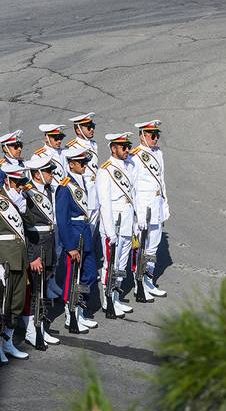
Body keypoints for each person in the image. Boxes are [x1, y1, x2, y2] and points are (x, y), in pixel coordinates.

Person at [0, 164, 36, 363]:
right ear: (7, 181)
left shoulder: (19, 199)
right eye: (16, 183)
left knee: (16, 303)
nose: (19, 187)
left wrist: (22, 207)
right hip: (5, 260)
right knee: (3, 305)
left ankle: (7, 341)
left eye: (21, 184)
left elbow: (31, 223)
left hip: (19, 258)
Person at [56, 148, 99, 332]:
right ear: (71, 164)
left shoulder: (81, 182)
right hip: (74, 237)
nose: (85, 166)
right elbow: (63, 220)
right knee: (72, 277)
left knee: (89, 275)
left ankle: (80, 308)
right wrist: (70, 246)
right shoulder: (65, 186)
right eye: (82, 163)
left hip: (85, 234)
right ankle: (70, 312)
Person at [96, 132, 136, 315]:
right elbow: (104, 203)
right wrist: (110, 231)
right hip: (114, 225)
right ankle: (108, 299)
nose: (127, 150)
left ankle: (116, 296)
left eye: (128, 146)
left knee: (121, 264)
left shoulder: (128, 166)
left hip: (127, 223)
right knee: (110, 264)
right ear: (114, 148)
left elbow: (132, 196)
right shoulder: (106, 170)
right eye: (123, 147)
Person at [22, 155, 60, 347]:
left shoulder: (49, 189)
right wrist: (31, 256)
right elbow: (23, 228)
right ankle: (32, 330)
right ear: (37, 174)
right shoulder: (27, 194)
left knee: (43, 290)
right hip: (36, 246)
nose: (52, 175)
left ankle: (41, 326)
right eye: (48, 172)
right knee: (34, 291)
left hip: (49, 244)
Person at [130, 120, 169, 300]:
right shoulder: (135, 156)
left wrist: (165, 207)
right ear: (142, 136)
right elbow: (133, 187)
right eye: (152, 136)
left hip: (156, 207)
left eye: (156, 136)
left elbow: (161, 182)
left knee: (153, 248)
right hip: (144, 209)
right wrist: (137, 214)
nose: (155, 139)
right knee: (142, 249)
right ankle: (139, 282)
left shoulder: (158, 154)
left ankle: (148, 280)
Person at [66, 113, 100, 231]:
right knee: (82, 229)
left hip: (94, 191)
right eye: (88, 127)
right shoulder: (72, 147)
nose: (92, 129)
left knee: (92, 229)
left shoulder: (93, 144)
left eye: (92, 126)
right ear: (79, 130)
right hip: (83, 190)